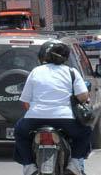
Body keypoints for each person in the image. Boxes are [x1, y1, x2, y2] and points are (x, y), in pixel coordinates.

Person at [13, 41, 93, 175]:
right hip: (65, 119)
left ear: (46, 56)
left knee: (19, 133)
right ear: (66, 58)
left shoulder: (35, 71)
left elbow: (25, 102)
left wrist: (36, 112)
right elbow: (83, 96)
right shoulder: (71, 72)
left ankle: (29, 167)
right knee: (85, 133)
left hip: (35, 118)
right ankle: (74, 165)